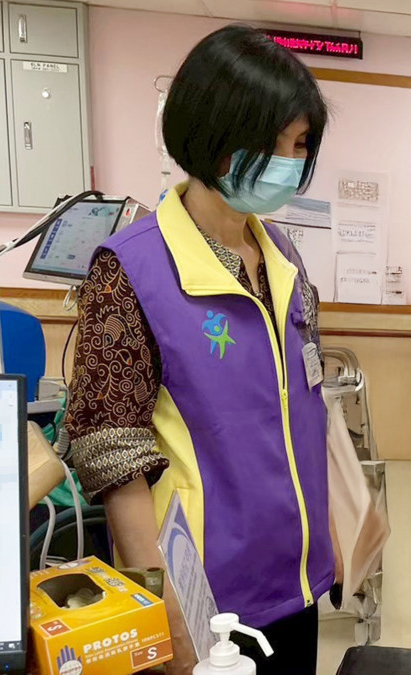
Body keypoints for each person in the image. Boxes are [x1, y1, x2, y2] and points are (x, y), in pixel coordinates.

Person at [65, 25, 330, 675]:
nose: (288, 162)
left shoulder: (284, 257)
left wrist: (336, 533)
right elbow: (114, 457)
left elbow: (304, 403)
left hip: (294, 582)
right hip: (205, 599)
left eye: (299, 144)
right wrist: (167, 616)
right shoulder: (130, 270)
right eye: (271, 143)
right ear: (210, 136)